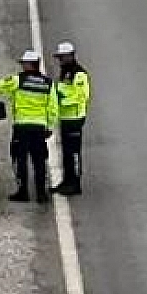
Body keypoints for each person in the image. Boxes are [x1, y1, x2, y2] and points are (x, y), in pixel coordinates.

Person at [0, 50, 58, 204]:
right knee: (39, 161)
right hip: (40, 128)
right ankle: (41, 194)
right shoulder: (48, 83)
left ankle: (23, 192)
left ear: (29, 65)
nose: (22, 66)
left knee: (20, 160)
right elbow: (53, 107)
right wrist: (50, 126)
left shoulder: (18, 80)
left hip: (22, 127)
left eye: (24, 64)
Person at [52, 40, 90, 196]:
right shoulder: (65, 72)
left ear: (70, 56)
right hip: (65, 118)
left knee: (73, 152)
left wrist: (61, 99)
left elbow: (81, 96)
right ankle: (67, 180)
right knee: (66, 152)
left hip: (74, 118)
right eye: (59, 57)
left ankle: (75, 183)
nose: (60, 60)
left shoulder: (79, 74)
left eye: (62, 57)